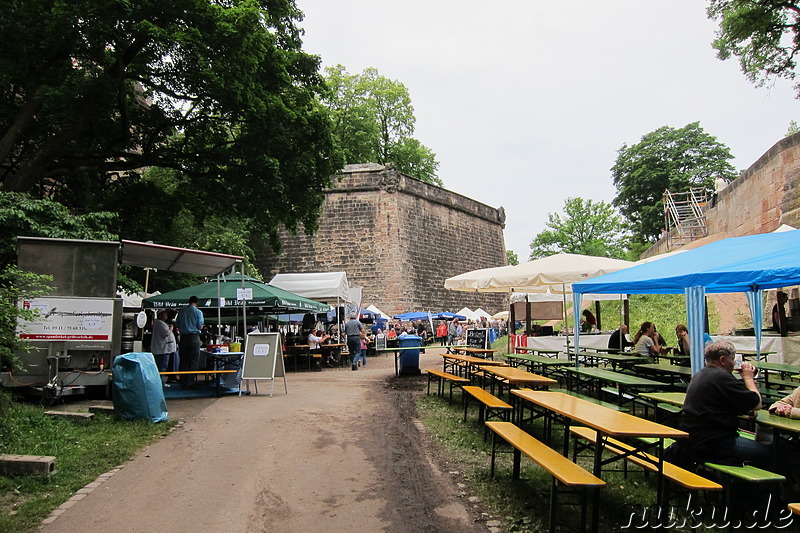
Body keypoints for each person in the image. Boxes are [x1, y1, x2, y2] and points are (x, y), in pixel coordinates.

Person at [676, 340, 769, 468]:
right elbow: (756, 403)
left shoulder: (701, 374)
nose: (734, 363)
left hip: (692, 439)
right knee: (769, 454)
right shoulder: (722, 377)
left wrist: (744, 409)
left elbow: (719, 403)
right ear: (723, 360)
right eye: (732, 359)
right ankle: (763, 487)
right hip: (713, 443)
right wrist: (748, 378)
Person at [176, 295, 204, 388]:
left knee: (183, 360)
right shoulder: (198, 312)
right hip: (194, 337)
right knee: (193, 360)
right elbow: (200, 326)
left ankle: (183, 381)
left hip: (183, 337)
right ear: (197, 303)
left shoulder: (182, 311)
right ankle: (190, 381)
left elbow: (177, 324)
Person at [150, 310, 176, 387]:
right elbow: (166, 333)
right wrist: (171, 328)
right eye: (165, 313)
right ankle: (160, 383)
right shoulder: (159, 323)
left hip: (163, 349)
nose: (166, 315)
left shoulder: (160, 323)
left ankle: (160, 382)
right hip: (162, 350)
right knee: (162, 367)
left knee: (162, 367)